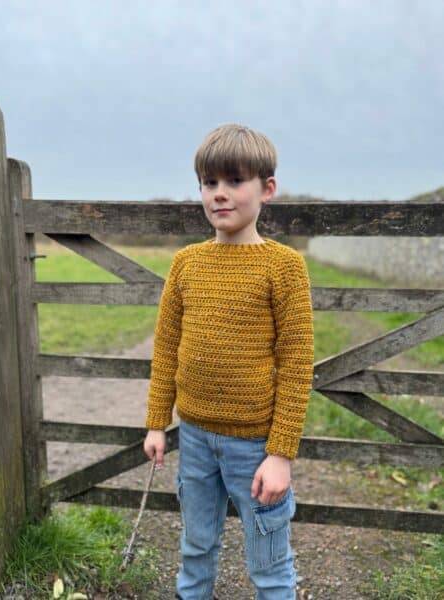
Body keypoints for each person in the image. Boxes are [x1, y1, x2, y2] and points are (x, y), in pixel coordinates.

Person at [143, 124, 315, 600]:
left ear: (267, 189)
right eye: (209, 183)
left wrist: (280, 454)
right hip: (194, 439)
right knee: (196, 547)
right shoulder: (186, 263)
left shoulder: (283, 267)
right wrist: (158, 423)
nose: (219, 194)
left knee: (269, 562)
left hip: (255, 445)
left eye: (235, 181)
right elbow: (167, 347)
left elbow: (298, 362)